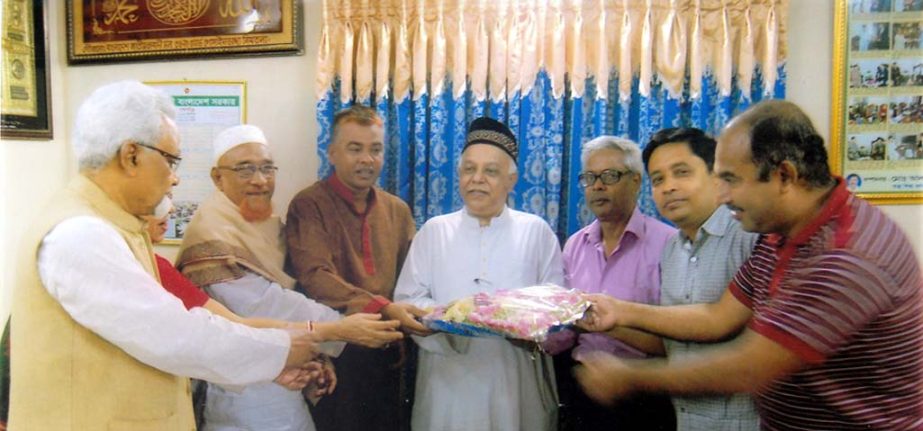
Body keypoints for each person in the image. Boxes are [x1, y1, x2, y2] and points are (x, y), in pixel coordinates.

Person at [575, 100, 923, 430]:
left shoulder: (843, 256)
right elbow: (719, 317)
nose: (723, 196)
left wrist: (629, 376)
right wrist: (619, 311)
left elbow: (750, 368)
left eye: (731, 180)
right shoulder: (781, 235)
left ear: (784, 176)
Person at [9, 80, 320, 430]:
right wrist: (279, 352)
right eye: (171, 160)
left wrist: (270, 364)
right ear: (131, 155)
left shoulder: (120, 227)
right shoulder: (80, 233)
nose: (175, 179)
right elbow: (174, 334)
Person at [176, 124, 404, 431]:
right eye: (245, 170)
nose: (259, 181)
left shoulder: (266, 226)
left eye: (267, 168)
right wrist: (340, 328)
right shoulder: (210, 234)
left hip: (287, 373)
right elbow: (263, 305)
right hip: (241, 391)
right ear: (218, 178)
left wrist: (315, 354)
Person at [393, 117, 563, 431]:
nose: (477, 179)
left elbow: (555, 300)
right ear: (458, 175)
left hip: (515, 378)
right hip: (447, 378)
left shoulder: (536, 232)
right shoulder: (434, 231)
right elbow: (408, 298)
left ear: (511, 180)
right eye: (469, 169)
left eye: (491, 171)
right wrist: (450, 319)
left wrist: (525, 323)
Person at [285, 105, 425, 431]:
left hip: (391, 352)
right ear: (332, 153)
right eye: (355, 148)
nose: (367, 159)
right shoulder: (309, 205)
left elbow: (412, 280)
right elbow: (316, 277)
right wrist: (384, 308)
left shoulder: (397, 211)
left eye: (375, 149)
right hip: (335, 354)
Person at [542, 136, 676, 431]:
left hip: (644, 392)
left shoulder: (669, 244)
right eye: (589, 178)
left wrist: (610, 325)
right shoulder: (575, 245)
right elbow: (566, 330)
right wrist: (533, 333)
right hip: (582, 388)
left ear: (636, 181)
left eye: (609, 176)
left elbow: (677, 343)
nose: (597, 186)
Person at [642, 127, 760, 430]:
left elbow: (729, 328)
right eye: (658, 180)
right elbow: (673, 342)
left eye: (681, 172)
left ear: (717, 178)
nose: (668, 187)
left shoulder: (749, 237)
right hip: (686, 418)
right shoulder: (671, 248)